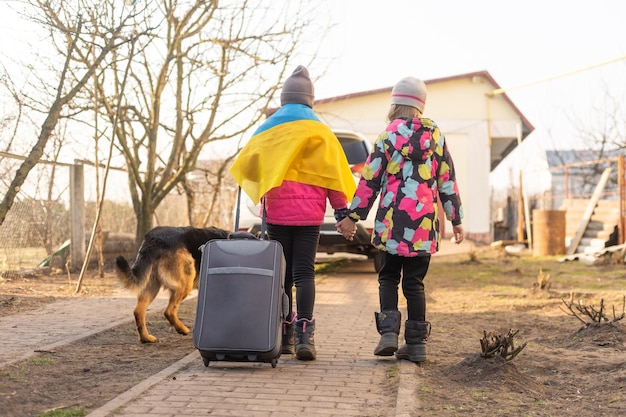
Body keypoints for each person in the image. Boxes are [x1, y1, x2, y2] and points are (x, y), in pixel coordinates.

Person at [229, 65, 356, 361]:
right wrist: (342, 214)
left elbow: (247, 164)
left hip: (277, 215)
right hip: (310, 217)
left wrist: (263, 186)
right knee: (304, 273)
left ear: (285, 98)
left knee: (281, 276)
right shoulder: (320, 131)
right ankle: (305, 338)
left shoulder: (269, 128)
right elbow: (334, 176)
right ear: (309, 99)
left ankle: (282, 336)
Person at [336, 76, 465, 363]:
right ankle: (417, 345)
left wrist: (352, 217)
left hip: (391, 225)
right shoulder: (436, 137)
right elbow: (447, 181)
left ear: (395, 104)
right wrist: (455, 219)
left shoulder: (387, 137)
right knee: (415, 283)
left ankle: (388, 335)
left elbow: (370, 180)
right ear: (420, 106)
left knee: (388, 277)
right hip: (423, 227)